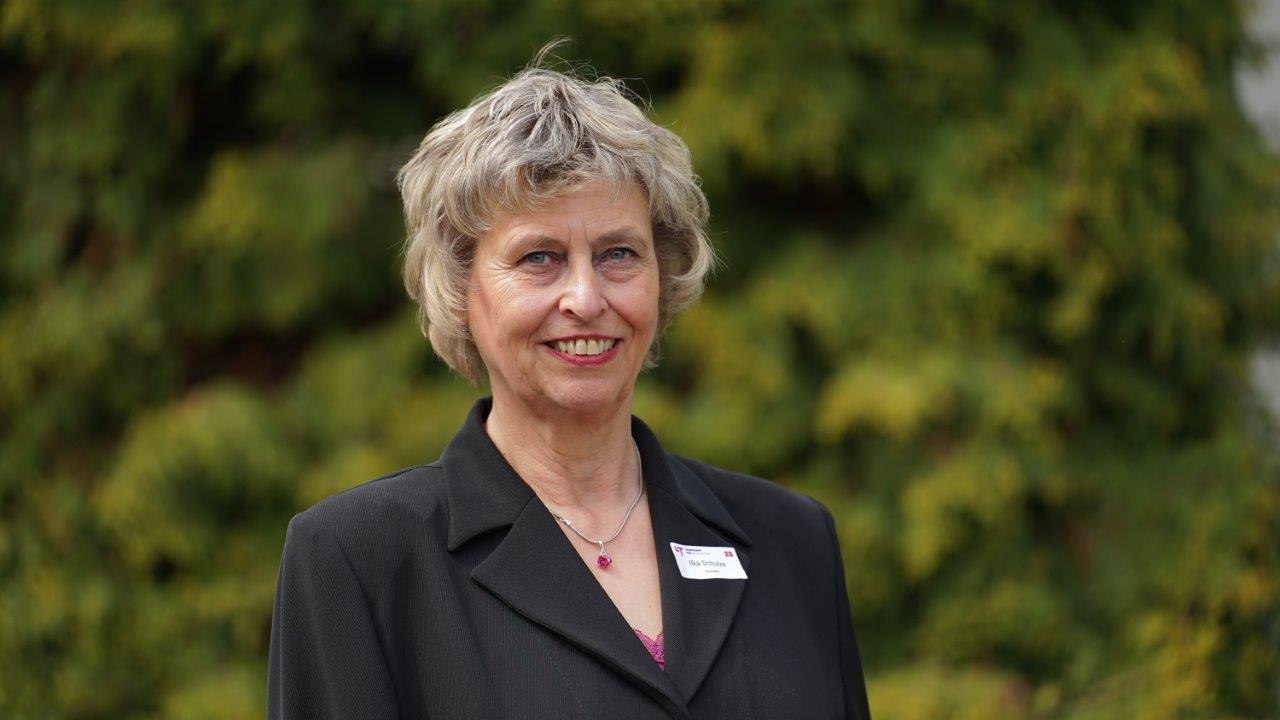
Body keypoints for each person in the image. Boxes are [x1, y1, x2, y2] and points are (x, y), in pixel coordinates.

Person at [267, 43, 872, 720]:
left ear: (662, 278)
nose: (585, 298)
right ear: (461, 289)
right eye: (539, 258)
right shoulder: (359, 560)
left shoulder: (791, 541)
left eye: (618, 253)